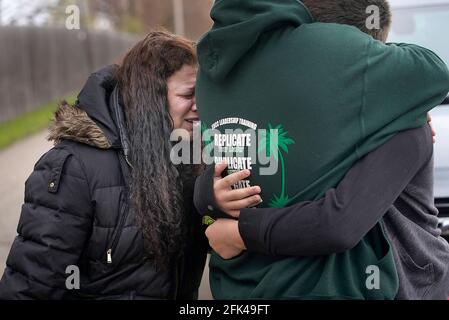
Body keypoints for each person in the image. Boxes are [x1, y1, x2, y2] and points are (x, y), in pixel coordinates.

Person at [194, 0, 449, 299]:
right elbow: (335, 222)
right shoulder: (306, 116)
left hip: (408, 282)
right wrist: (207, 195)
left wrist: (238, 230)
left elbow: (336, 221)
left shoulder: (398, 123)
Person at [0, 31, 208, 300]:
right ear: (150, 99)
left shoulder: (188, 154)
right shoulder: (74, 168)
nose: (199, 106)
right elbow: (31, 285)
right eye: (189, 94)